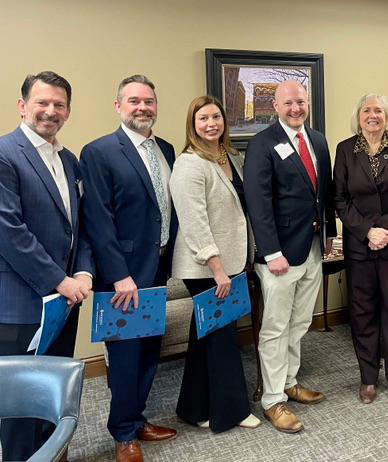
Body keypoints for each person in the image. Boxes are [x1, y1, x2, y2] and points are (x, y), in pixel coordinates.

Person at [81, 75, 178, 462]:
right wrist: (119, 274)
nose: (143, 108)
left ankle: (137, 420)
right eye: (134, 101)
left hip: (157, 269)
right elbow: (98, 219)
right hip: (122, 275)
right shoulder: (100, 152)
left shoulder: (166, 149)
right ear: (118, 105)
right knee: (124, 356)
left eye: (149, 101)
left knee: (151, 349)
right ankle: (123, 434)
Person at [0, 71, 93, 461]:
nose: (50, 111)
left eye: (59, 105)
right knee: (21, 413)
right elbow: (9, 231)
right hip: (21, 306)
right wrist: (60, 280)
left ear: (68, 111)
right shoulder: (5, 154)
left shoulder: (68, 160)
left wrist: (84, 273)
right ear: (23, 106)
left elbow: (80, 226)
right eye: (42, 102)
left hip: (64, 305)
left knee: (54, 403)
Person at [243, 80, 336, 433]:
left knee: (299, 323)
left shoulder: (318, 140)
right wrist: (271, 252)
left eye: (301, 102)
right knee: (276, 327)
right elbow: (258, 203)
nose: (295, 108)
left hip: (312, 248)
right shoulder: (262, 144)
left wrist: (329, 235)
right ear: (275, 106)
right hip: (280, 254)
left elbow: (324, 193)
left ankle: (290, 382)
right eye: (288, 103)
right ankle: (272, 399)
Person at [169, 96, 260, 432]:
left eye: (217, 117)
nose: (211, 124)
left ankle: (193, 407)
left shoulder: (231, 156)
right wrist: (217, 268)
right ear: (192, 124)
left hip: (233, 261)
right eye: (203, 118)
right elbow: (194, 221)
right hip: (205, 267)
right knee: (222, 338)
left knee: (203, 336)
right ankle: (232, 411)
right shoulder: (189, 164)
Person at [333, 94, 388, 404]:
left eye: (378, 110)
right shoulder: (345, 150)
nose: (373, 115)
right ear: (358, 116)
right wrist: (368, 231)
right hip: (360, 246)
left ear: (387, 115)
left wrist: (385, 230)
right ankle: (368, 378)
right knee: (362, 312)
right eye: (367, 110)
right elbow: (340, 199)